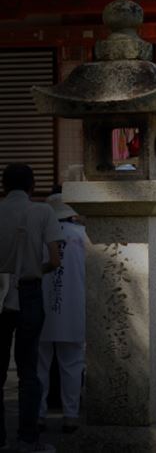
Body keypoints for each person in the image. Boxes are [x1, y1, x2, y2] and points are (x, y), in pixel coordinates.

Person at [0, 163, 63, 452]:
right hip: (29, 290)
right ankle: (27, 438)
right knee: (28, 368)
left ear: (4, 186)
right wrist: (35, 270)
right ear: (31, 185)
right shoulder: (42, 212)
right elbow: (54, 258)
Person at [37, 195, 89, 434]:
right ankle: (70, 415)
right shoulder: (82, 236)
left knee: (39, 365)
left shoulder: (39, 236)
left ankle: (38, 415)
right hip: (74, 309)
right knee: (73, 365)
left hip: (41, 310)